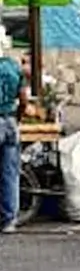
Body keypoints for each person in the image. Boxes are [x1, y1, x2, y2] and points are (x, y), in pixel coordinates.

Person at [0, 27, 28, 233]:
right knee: (10, 173)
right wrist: (17, 117)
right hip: (10, 121)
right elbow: (24, 99)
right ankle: (9, 220)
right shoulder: (13, 67)